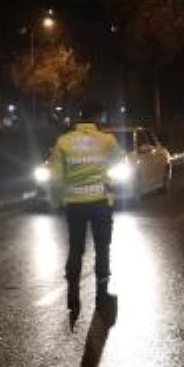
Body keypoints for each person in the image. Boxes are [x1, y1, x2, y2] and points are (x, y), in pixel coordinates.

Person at [49, 101, 123, 329]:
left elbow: (56, 178)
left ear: (79, 118)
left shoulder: (63, 141)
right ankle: (102, 295)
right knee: (102, 247)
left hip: (74, 205)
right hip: (100, 202)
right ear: (97, 118)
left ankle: (73, 291)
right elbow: (118, 162)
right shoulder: (106, 139)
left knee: (75, 248)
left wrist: (57, 201)